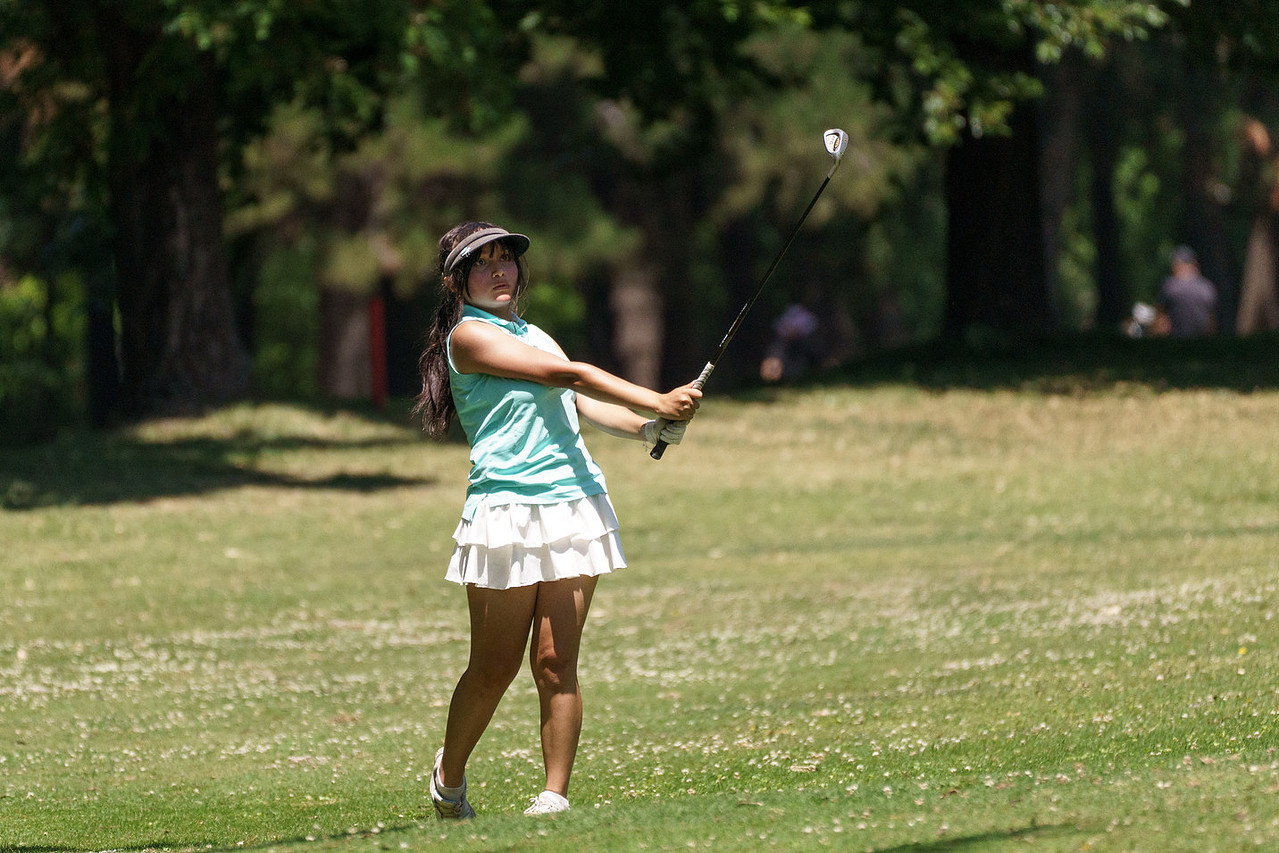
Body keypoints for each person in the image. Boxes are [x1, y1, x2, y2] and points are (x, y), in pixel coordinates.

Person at [413, 221, 701, 819]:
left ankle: (554, 797)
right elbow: (569, 375)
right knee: (493, 668)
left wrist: (650, 427)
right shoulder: (469, 337)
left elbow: (581, 402)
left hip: (574, 506)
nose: (499, 271)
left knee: (555, 662)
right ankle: (449, 778)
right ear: (455, 282)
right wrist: (656, 397)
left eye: (506, 260)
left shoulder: (535, 333)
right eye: (482, 263)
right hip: (506, 512)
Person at [1154, 245, 1217, 337]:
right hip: (1201, 339)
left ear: (1176, 264)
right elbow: (1212, 322)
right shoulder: (1207, 287)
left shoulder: (1170, 286)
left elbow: (1159, 320)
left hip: (1176, 340)